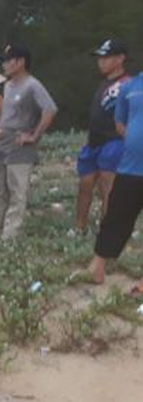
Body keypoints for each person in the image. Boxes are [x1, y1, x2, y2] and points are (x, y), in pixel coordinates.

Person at [0, 44, 58, 239]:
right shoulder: (8, 85)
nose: (4, 65)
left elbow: (49, 110)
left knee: (17, 191)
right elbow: (6, 113)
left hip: (20, 146)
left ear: (21, 62)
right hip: (2, 144)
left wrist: (34, 135)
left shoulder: (32, 85)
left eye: (8, 60)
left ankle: (11, 235)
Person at [87, 70, 143, 287]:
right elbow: (120, 123)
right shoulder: (130, 87)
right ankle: (97, 266)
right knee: (116, 217)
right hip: (130, 167)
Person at [74, 39, 132, 235]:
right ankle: (79, 227)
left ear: (120, 58)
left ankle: (107, 229)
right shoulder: (103, 83)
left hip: (114, 140)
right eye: (100, 58)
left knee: (108, 186)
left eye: (106, 58)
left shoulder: (128, 84)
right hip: (94, 141)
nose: (101, 62)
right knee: (85, 184)